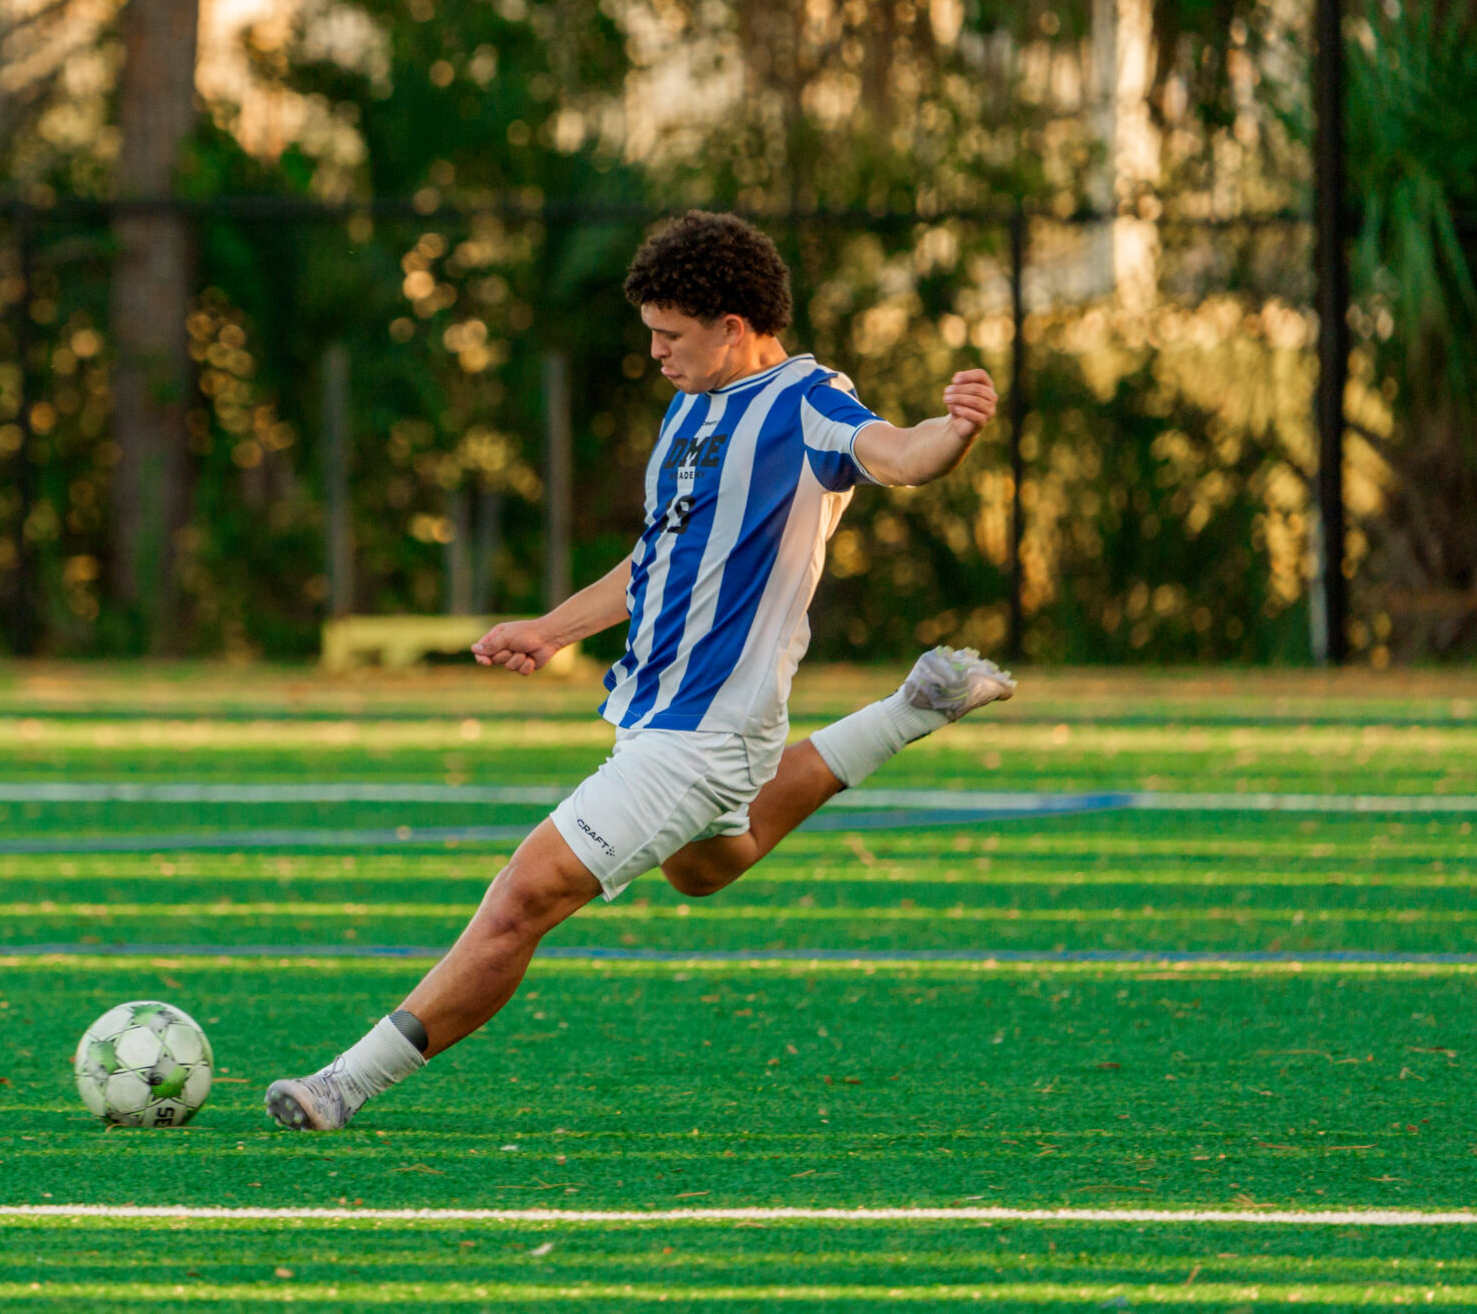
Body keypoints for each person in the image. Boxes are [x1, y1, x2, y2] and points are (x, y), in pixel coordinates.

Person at [266, 210, 1016, 1132]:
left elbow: (899, 453)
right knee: (707, 868)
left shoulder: (806, 400)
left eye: (670, 335)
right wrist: (550, 628)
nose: (656, 352)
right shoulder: (690, 409)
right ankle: (914, 704)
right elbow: (655, 562)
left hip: (702, 733)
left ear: (733, 328)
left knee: (522, 897)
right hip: (669, 716)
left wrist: (957, 430)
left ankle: (343, 1084)